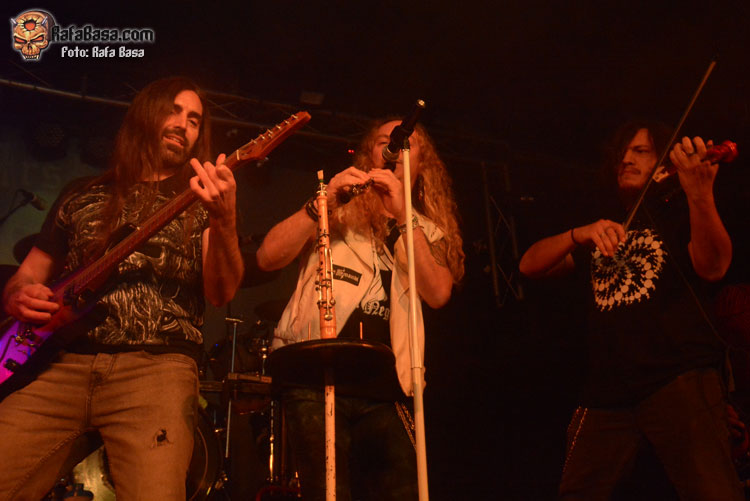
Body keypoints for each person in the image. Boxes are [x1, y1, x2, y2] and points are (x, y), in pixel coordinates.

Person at [0, 76, 244, 500]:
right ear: (145, 114)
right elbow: (29, 273)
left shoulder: (202, 196)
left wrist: (224, 220)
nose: (183, 124)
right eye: (173, 111)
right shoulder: (81, 194)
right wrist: (17, 294)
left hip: (156, 371)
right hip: (61, 365)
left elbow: (221, 293)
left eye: (194, 120)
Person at [519, 121, 742, 499]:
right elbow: (529, 265)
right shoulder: (603, 228)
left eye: (640, 151)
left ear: (662, 162)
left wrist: (700, 195)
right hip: (606, 391)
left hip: (677, 377)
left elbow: (715, 267)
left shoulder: (677, 213)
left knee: (712, 491)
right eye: (622, 152)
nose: (626, 159)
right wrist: (577, 234)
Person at [256, 119, 464, 500]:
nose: (394, 148)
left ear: (422, 165)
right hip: (316, 372)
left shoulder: (426, 229)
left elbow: (438, 293)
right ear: (371, 155)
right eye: (385, 141)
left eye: (406, 143)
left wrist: (403, 216)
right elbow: (267, 256)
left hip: (385, 383)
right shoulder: (336, 209)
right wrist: (323, 200)